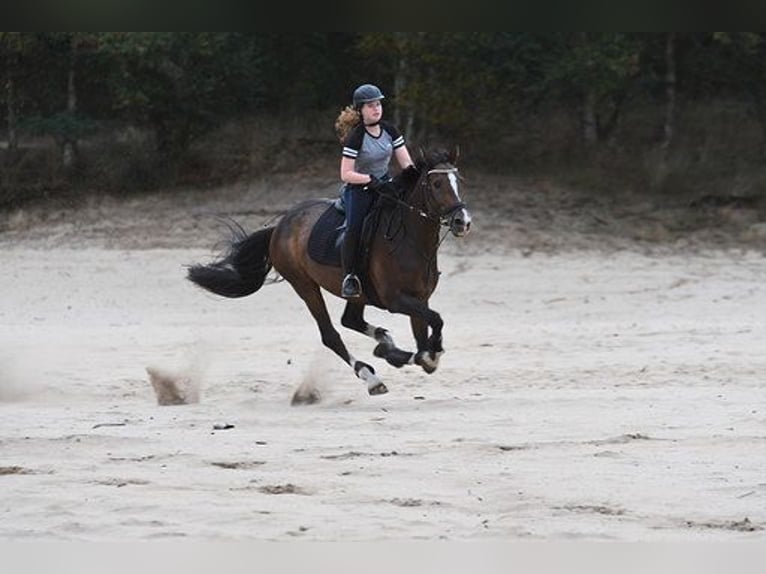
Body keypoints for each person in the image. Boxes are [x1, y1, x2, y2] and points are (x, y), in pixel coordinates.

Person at [334, 83, 414, 298]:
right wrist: (370, 180)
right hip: (359, 189)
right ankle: (350, 276)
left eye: (378, 104)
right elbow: (346, 174)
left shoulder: (390, 130)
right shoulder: (356, 137)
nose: (376, 108)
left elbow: (406, 162)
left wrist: (413, 177)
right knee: (354, 228)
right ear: (360, 110)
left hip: (385, 186)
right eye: (370, 105)